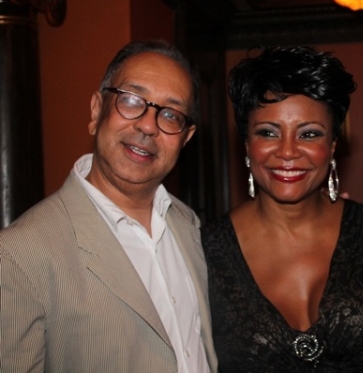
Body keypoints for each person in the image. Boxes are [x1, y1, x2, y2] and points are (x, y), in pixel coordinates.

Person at [1, 40, 218, 372]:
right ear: (96, 110)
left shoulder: (187, 223)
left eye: (170, 114)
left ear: (185, 139)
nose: (147, 126)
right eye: (131, 100)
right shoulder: (20, 253)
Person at [201, 46, 363, 372]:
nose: (287, 152)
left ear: (333, 146)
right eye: (268, 132)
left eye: (309, 134)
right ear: (246, 144)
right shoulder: (203, 251)